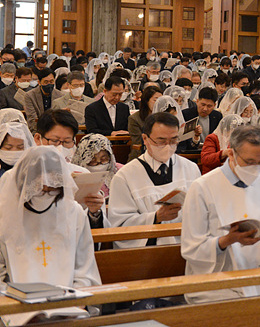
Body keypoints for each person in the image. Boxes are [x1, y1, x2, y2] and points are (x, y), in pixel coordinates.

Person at [182, 125, 260, 303]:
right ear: (231, 154)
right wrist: (227, 240)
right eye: (249, 162)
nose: (256, 168)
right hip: (218, 282)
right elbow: (191, 247)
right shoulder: (202, 187)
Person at [0, 147, 101, 302]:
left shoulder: (74, 212)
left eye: (52, 189)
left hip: (68, 300)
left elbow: (85, 269)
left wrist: (77, 299)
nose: (46, 195)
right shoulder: (5, 215)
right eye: (40, 189)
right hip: (17, 302)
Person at [108, 113, 201, 248]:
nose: (168, 146)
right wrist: (156, 217)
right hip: (147, 251)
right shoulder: (125, 176)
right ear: (145, 139)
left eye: (173, 140)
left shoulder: (190, 169)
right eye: (161, 141)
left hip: (187, 246)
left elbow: (201, 212)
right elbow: (119, 224)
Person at [22, 67, 55, 132]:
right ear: (39, 82)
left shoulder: (60, 95)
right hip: (37, 130)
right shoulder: (30, 96)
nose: (49, 84)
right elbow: (32, 119)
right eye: (46, 82)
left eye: (51, 81)